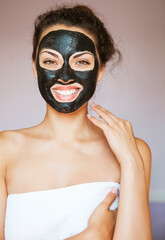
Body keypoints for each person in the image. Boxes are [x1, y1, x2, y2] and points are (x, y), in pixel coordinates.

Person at [0, 4, 152, 240]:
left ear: (99, 70)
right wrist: (93, 234)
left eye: (81, 62)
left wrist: (131, 160)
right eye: (50, 61)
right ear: (34, 67)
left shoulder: (134, 150)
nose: (65, 76)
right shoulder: (4, 150)